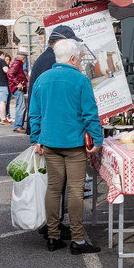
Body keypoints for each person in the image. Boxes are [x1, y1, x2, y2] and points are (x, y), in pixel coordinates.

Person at [28, 38, 102, 254]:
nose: (80, 61)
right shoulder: (80, 80)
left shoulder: (42, 79)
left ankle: (52, 236)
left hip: (50, 142)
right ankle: (78, 240)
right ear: (72, 57)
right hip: (74, 144)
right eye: (79, 57)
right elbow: (90, 114)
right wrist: (97, 140)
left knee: (53, 188)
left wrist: (36, 138)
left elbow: (35, 113)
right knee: (75, 191)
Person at [8, 48, 29, 133]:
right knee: (21, 106)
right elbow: (10, 74)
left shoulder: (17, 63)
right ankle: (18, 126)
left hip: (18, 88)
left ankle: (18, 125)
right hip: (18, 88)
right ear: (23, 58)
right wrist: (18, 83)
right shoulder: (17, 64)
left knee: (21, 106)